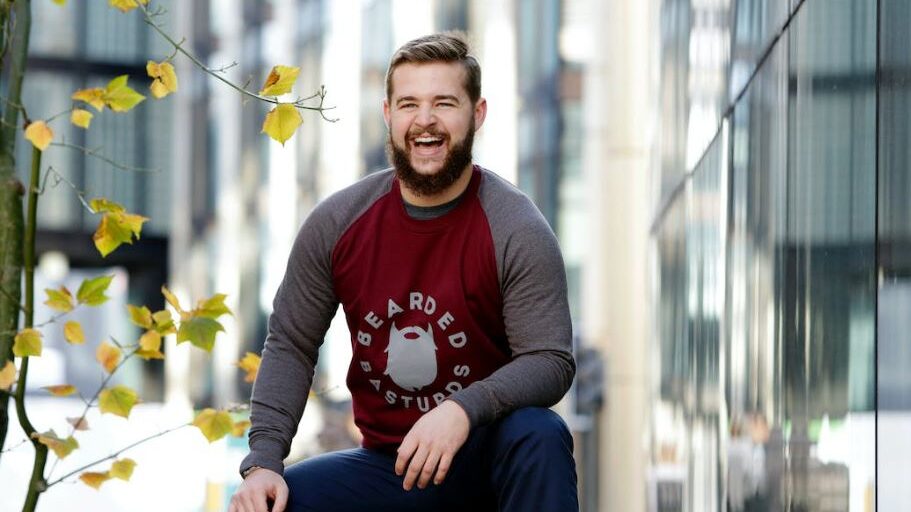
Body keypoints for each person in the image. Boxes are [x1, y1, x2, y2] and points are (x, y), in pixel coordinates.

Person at [229, 32, 579, 512]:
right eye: (410, 104)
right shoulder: (339, 223)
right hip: (391, 470)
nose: (426, 120)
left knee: (540, 433)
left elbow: (549, 360)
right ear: (389, 114)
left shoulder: (515, 227)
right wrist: (263, 461)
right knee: (273, 503)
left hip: (491, 465)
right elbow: (291, 343)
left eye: (445, 103)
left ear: (477, 114)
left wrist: (462, 409)